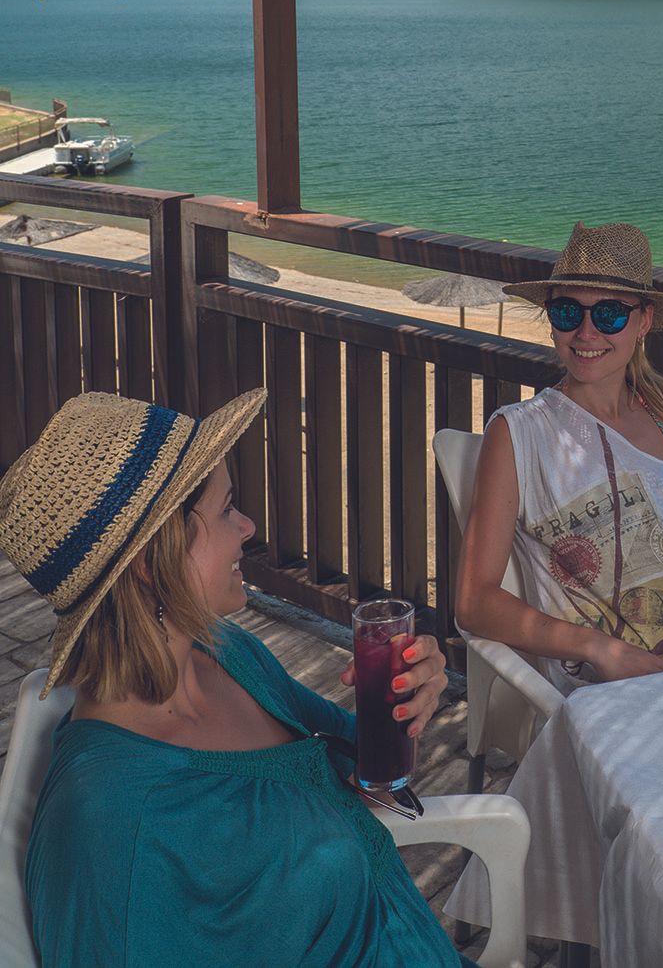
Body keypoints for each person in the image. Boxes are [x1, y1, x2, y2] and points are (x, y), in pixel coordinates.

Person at [0, 388, 473, 968]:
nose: (248, 526)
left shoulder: (226, 653)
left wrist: (405, 711)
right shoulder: (113, 826)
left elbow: (356, 766)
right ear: (154, 561)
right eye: (226, 510)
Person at [455, 220, 663, 692]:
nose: (587, 332)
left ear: (644, 322)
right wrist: (597, 647)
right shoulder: (519, 434)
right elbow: (474, 601)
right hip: (620, 692)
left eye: (610, 314)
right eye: (568, 312)